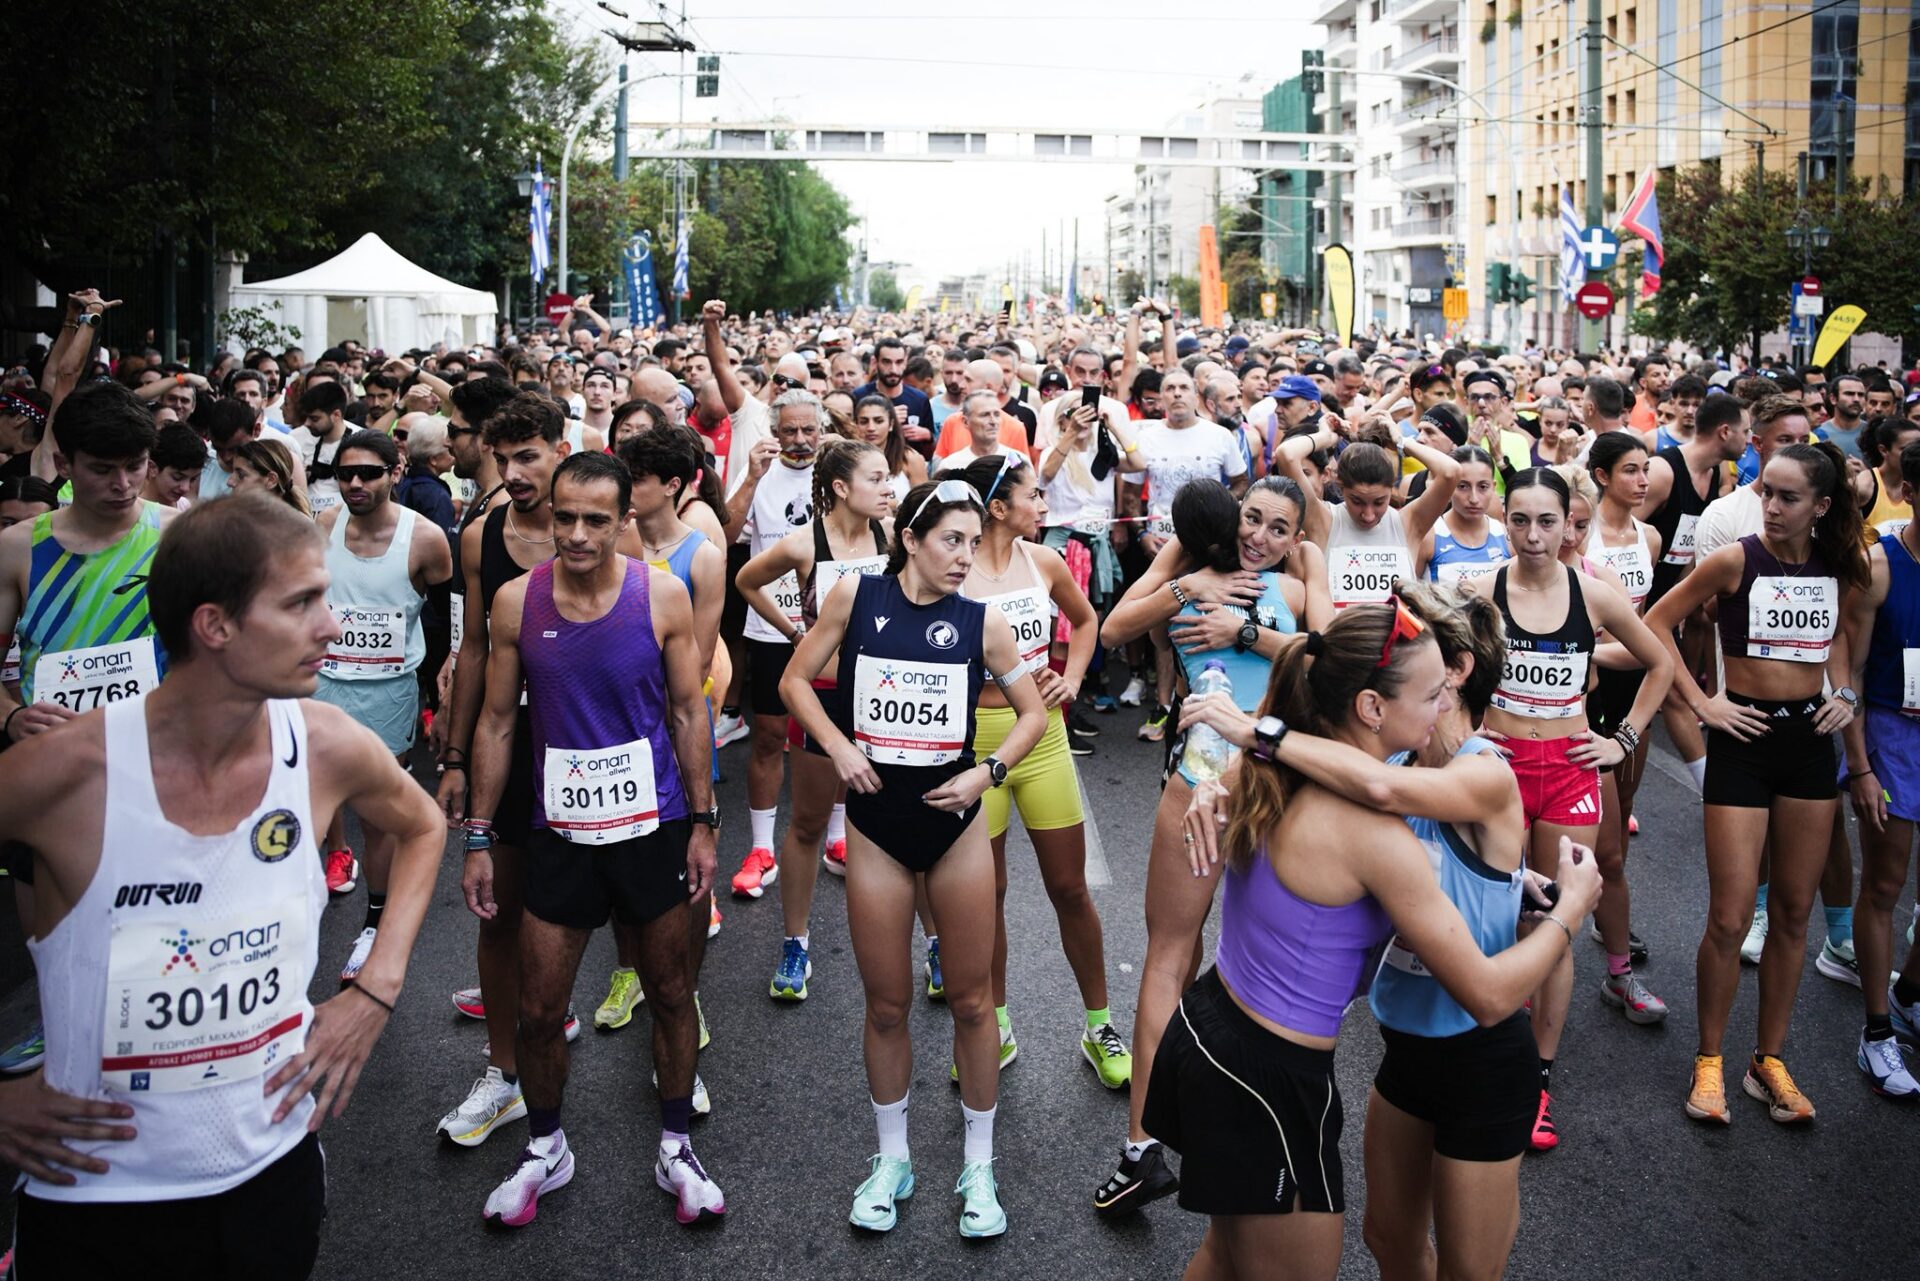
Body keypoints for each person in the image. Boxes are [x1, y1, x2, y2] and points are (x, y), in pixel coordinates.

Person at [0, 493, 443, 1277]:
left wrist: (375, 988)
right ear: (215, 625)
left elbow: (422, 825)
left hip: (271, 1177)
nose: (331, 626)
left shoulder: (325, 744)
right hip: (99, 1200)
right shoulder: (67, 772)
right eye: (302, 602)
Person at [1142, 600, 1598, 1281]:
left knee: (1225, 1258)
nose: (1447, 701)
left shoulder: (1276, 768)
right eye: (1432, 691)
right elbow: (1488, 993)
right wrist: (1572, 912)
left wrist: (1507, 883)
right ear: (1372, 707)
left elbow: (1390, 809)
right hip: (1273, 1077)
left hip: (1211, 1032)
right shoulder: (1372, 824)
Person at [780, 478, 1045, 1238]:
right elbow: (795, 680)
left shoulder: (983, 621)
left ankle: (979, 1166)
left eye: (972, 542)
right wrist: (838, 747)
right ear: (911, 540)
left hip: (955, 827)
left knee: (972, 1001)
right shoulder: (855, 598)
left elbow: (1032, 712)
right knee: (888, 1004)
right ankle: (891, 1158)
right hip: (876, 827)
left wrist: (988, 773)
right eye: (951, 541)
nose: (965, 557)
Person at [464, 451, 723, 1228]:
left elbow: (688, 711)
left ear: (623, 522)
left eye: (595, 520)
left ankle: (676, 1145)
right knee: (540, 1007)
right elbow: (498, 720)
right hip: (561, 834)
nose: (576, 533)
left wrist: (704, 822)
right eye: (566, 516)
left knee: (671, 991)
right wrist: (477, 835)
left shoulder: (662, 594)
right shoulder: (516, 601)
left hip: (653, 826)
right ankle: (546, 1147)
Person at [1092, 477, 1314, 1216]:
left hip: (1274, 787)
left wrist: (1241, 633)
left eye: (1278, 528)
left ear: (1295, 538)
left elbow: (1329, 660)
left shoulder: (1300, 579)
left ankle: (1247, 1128)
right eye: (1252, 518)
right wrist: (1190, 590)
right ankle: (1142, 1149)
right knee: (1172, 954)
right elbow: (1114, 630)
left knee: (1263, 966)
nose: (1259, 536)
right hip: (1204, 775)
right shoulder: (1188, 565)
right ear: (1233, 513)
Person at [1645, 442, 1867, 1125]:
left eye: (1788, 497)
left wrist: (1845, 693)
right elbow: (1655, 622)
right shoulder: (1735, 559)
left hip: (1808, 746)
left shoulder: (1838, 563)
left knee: (1795, 913)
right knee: (1730, 915)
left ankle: (1767, 1061)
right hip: (1743, 742)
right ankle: (1709, 1059)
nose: (1770, 506)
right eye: (1766, 491)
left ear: (1821, 506)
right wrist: (1702, 703)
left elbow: (1838, 641)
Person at [1459, 468, 1672, 1149]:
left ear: (1568, 524)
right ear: (1505, 519)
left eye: (1546, 521)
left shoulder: (1594, 595)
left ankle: (1537, 1080)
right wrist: (1465, 731)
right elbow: (1438, 666)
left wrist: (1622, 740)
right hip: (1498, 770)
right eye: (1519, 520)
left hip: (1570, 769)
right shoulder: (1482, 589)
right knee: (1496, 913)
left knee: (1554, 919)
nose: (1532, 535)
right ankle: (1490, 1050)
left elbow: (1660, 663)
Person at [435, 393, 623, 1149]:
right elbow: (474, 649)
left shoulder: (602, 527)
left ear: (559, 450)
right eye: (501, 458)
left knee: (636, 916)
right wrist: (455, 755)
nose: (513, 473)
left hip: (596, 747)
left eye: (528, 457)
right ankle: (504, 1073)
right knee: (501, 912)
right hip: (510, 749)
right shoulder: (481, 534)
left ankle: (674, 1058)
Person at [945, 452, 1126, 1084]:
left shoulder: (1044, 560)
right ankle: (993, 1025)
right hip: (975, 744)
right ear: (997, 507)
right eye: (1035, 496)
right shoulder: (954, 570)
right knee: (986, 895)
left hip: (1044, 740)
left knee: (1070, 889)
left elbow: (1085, 620)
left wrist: (1071, 679)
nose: (1045, 506)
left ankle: (1100, 1025)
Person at [736, 437, 893, 997]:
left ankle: (931, 944)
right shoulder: (805, 543)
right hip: (822, 698)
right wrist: (792, 631)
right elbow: (746, 581)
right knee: (806, 824)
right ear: (842, 488)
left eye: (888, 477)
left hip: (885, 698)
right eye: (876, 479)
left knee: (902, 821)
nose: (888, 488)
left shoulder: (893, 535)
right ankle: (795, 944)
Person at [312, 429, 452, 977]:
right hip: (324, 686)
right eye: (345, 473)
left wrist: (442, 689)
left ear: (396, 473)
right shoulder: (323, 525)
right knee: (309, 805)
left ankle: (374, 925)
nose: (355, 483)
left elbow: (445, 617)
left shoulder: (426, 539)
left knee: (377, 820)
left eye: (369, 473)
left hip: (387, 692)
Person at [1839, 437, 1920, 1097]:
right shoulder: (1880, 565)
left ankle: (1909, 993)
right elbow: (1852, 672)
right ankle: (1877, 1035)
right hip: (1892, 732)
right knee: (1886, 884)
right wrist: (1861, 766)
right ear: (1910, 493)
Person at [722, 389, 822, 900]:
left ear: (822, 430)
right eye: (790, 431)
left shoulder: (839, 469)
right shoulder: (758, 471)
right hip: (772, 624)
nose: (800, 440)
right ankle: (761, 849)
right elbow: (725, 536)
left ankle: (839, 837)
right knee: (768, 736)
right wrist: (752, 478)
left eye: (809, 430)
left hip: (832, 626)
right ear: (775, 433)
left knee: (837, 733)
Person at [1414, 444, 1508, 583]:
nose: (1474, 499)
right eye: (1463, 486)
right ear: (1449, 486)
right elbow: (1406, 590)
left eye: (1483, 487)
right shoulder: (1428, 537)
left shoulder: (1506, 537)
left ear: (1493, 488)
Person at [850, 392, 927, 504]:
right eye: (864, 422)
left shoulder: (910, 459)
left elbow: (923, 505)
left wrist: (894, 506)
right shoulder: (849, 460)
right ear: (856, 424)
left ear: (891, 424)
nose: (871, 428)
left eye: (879, 421)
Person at [935, 390, 1026, 473]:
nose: (993, 421)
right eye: (985, 415)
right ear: (966, 422)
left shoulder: (1018, 463)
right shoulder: (951, 466)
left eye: (997, 414)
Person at [229, 438, 311, 515]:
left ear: (271, 480)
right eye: (232, 472)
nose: (230, 482)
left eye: (241, 475)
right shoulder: (236, 518)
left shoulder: (296, 524)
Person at [139, 423, 205, 510]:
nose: (186, 488)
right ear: (152, 468)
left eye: (192, 480)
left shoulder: (186, 508)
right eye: (177, 477)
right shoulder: (133, 511)